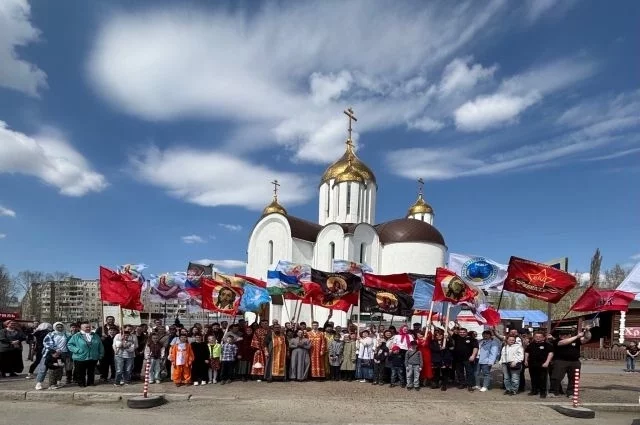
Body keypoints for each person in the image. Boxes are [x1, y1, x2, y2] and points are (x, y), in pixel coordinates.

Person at [551, 327, 591, 398]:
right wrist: (577, 336)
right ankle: (554, 392)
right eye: (562, 335)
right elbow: (563, 342)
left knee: (574, 378)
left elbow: (587, 338)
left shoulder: (576, 340)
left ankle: (571, 393)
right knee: (556, 377)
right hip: (560, 361)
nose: (564, 336)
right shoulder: (557, 341)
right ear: (559, 335)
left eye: (566, 334)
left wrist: (587, 331)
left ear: (569, 335)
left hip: (574, 362)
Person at [66, 322, 104, 387]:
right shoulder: (76, 336)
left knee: (91, 371)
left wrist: (101, 354)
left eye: (89, 327)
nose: (88, 328)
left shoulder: (95, 335)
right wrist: (77, 350)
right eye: (86, 327)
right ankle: (81, 383)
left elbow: (100, 345)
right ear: (82, 328)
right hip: (80, 357)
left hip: (93, 356)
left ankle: (90, 382)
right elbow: (70, 344)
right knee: (81, 372)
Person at [524, 330, 553, 398]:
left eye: (540, 337)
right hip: (532, 364)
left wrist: (547, 362)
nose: (538, 338)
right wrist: (526, 360)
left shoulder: (547, 345)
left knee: (542, 378)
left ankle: (543, 392)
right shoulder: (531, 344)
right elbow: (527, 352)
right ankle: (534, 390)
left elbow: (550, 353)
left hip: (543, 364)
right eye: (536, 336)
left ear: (543, 337)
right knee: (533, 378)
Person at [451, 327, 479, 391]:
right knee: (459, 372)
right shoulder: (456, 337)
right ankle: (462, 383)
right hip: (458, 359)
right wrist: (444, 324)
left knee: (469, 372)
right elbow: (450, 332)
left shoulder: (472, 339)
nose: (462, 333)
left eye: (463, 332)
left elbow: (475, 347)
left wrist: (473, 355)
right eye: (460, 332)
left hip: (468, 359)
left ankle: (470, 385)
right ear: (459, 333)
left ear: (466, 332)